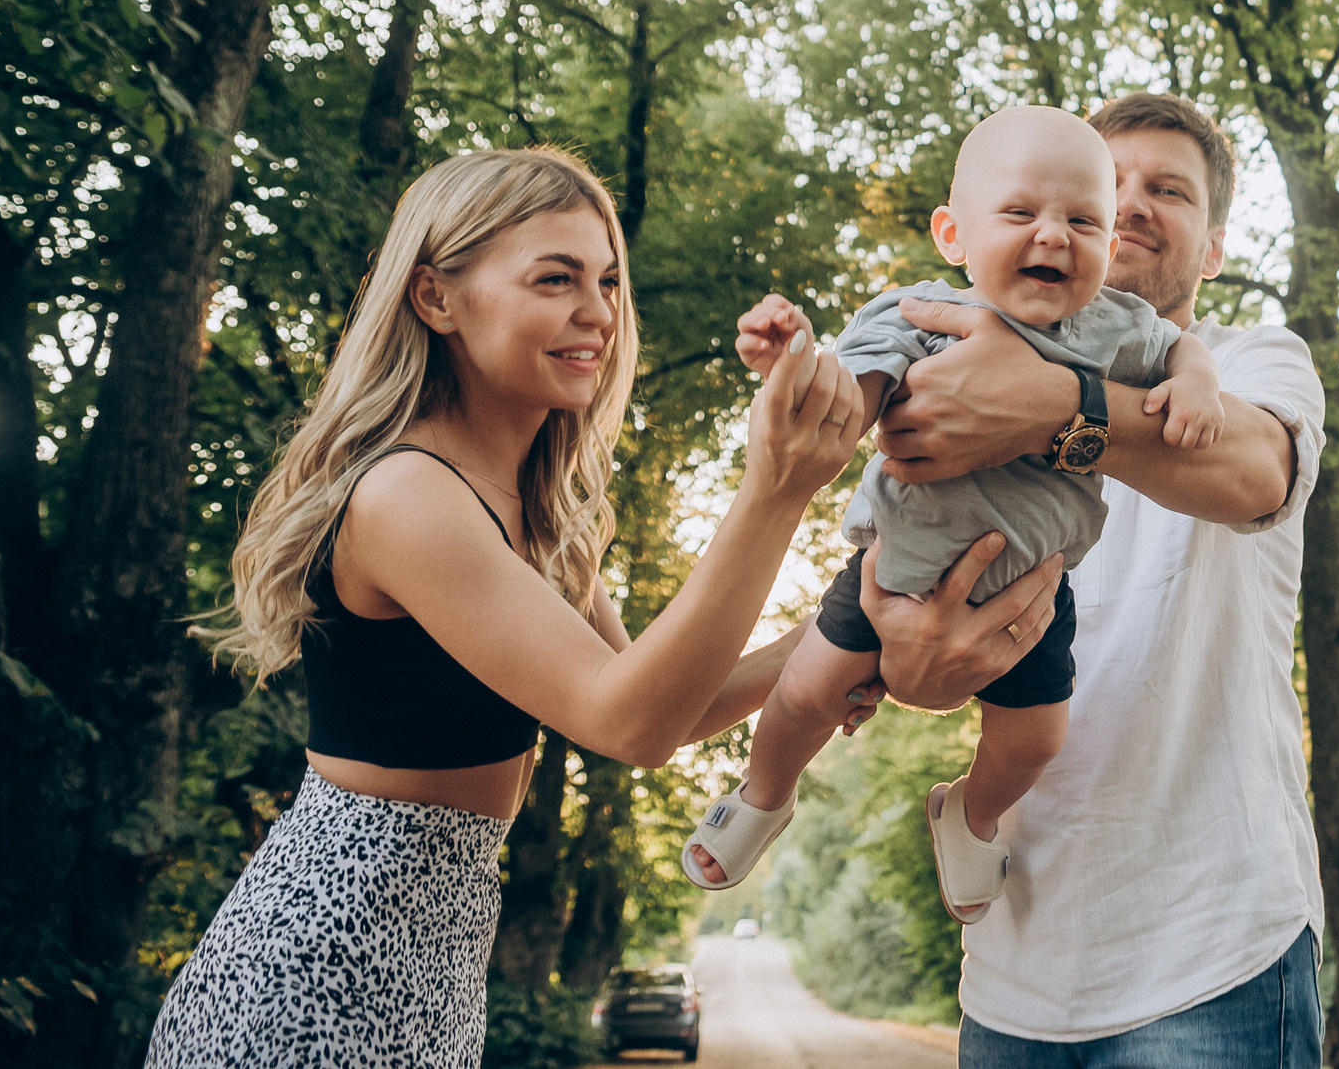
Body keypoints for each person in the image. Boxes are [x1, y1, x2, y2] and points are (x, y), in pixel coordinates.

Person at [145, 147, 874, 1069]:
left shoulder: (537, 508)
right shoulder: (407, 494)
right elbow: (630, 724)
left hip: (431, 959)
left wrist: (846, 624)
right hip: (313, 971)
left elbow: (668, 705)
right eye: (556, 279)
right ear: (435, 299)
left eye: (608, 282)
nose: (598, 313)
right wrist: (774, 491)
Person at [781, 94, 1329, 1067]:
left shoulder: (1250, 362)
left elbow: (1255, 475)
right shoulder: (960, 356)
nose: (1130, 207)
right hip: (1014, 965)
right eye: (1110, 188)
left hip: (1213, 953)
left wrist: (1047, 405)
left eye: (1170, 191)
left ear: (1210, 249)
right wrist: (903, 665)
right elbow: (879, 605)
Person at [680, 107, 1225, 922]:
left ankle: (970, 815)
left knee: (1036, 737)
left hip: (1037, 594)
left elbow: (1180, 348)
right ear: (952, 234)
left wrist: (1199, 382)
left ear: (1106, 250)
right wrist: (793, 363)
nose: (1053, 235)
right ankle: (765, 794)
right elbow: (844, 404)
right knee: (804, 697)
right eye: (1019, 214)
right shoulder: (914, 314)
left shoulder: (1116, 333)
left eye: (1082, 220)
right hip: (889, 574)